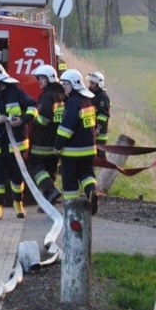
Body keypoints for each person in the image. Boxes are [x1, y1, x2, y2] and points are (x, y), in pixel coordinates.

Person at [0, 62, 37, 220]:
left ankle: (18, 203)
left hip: (15, 145)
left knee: (17, 177)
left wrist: (22, 119)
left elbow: (32, 107)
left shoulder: (16, 92)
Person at [54, 69, 99, 215]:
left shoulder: (73, 102)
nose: (64, 87)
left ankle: (71, 209)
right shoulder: (87, 101)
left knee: (70, 181)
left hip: (72, 151)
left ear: (74, 84)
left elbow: (66, 129)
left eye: (66, 84)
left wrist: (57, 145)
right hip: (88, 149)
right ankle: (92, 191)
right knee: (87, 175)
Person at [28, 64, 64, 206]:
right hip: (56, 140)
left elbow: (45, 118)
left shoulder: (46, 96)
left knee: (35, 165)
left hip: (43, 140)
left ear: (49, 79)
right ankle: (48, 202)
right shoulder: (61, 94)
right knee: (50, 169)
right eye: (39, 78)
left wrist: (32, 122)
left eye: (42, 78)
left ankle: (51, 190)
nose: (39, 81)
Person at [87, 72, 111, 154]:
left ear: (99, 84)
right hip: (91, 128)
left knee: (100, 153)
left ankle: (104, 167)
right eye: (90, 82)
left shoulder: (102, 96)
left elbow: (104, 114)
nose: (90, 85)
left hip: (100, 132)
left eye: (93, 83)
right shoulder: (90, 94)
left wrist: (98, 128)